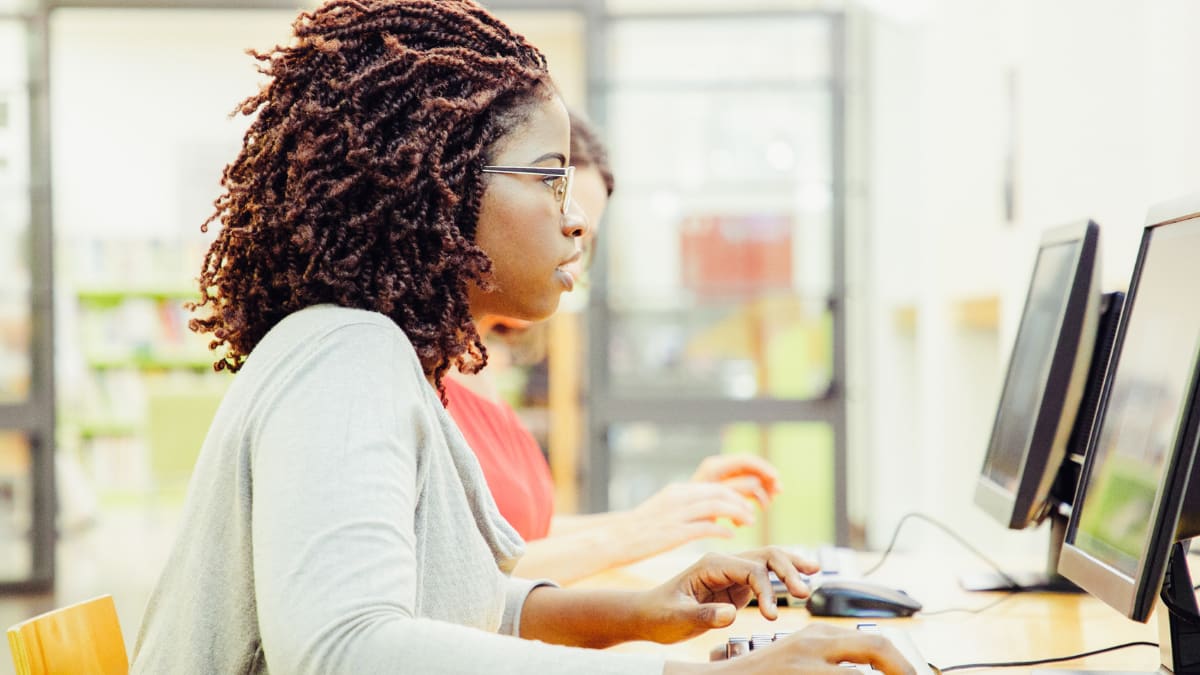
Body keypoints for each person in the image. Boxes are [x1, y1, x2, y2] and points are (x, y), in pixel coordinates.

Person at [130, 2, 914, 673]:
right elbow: (349, 647)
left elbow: (452, 601)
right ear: (434, 186)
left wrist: (641, 610)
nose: (575, 218)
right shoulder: (346, 355)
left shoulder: (383, 359)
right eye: (549, 178)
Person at [446, 111, 783, 584]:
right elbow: (459, 578)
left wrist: (665, 515)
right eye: (559, 207)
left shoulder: (475, 361)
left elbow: (516, 540)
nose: (572, 246)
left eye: (586, 234)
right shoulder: (412, 368)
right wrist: (634, 533)